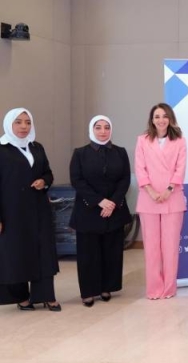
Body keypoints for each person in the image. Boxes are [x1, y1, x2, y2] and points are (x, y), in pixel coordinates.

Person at [0, 108, 61, 311]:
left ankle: (46, 296)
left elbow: (48, 173)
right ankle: (21, 298)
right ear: (9, 124)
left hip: (38, 209)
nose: (24, 126)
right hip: (11, 212)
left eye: (27, 122)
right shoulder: (2, 149)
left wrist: (44, 181)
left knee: (43, 251)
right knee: (15, 254)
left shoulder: (37, 147)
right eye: (18, 122)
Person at [69, 115, 132, 307]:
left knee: (111, 251)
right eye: (98, 127)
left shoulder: (120, 152)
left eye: (106, 127)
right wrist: (100, 201)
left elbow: (125, 179)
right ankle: (88, 292)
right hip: (88, 211)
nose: (103, 131)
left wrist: (112, 202)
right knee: (88, 254)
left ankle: (107, 287)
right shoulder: (80, 153)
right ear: (92, 129)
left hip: (114, 210)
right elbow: (77, 180)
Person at [134, 103, 187, 300]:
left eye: (165, 116)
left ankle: (169, 288)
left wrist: (169, 189)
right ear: (152, 119)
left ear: (170, 118)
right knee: (151, 247)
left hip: (172, 198)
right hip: (148, 199)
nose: (161, 120)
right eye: (157, 116)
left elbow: (180, 168)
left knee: (170, 247)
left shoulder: (180, 141)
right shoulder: (142, 140)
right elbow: (140, 168)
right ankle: (154, 288)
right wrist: (150, 190)